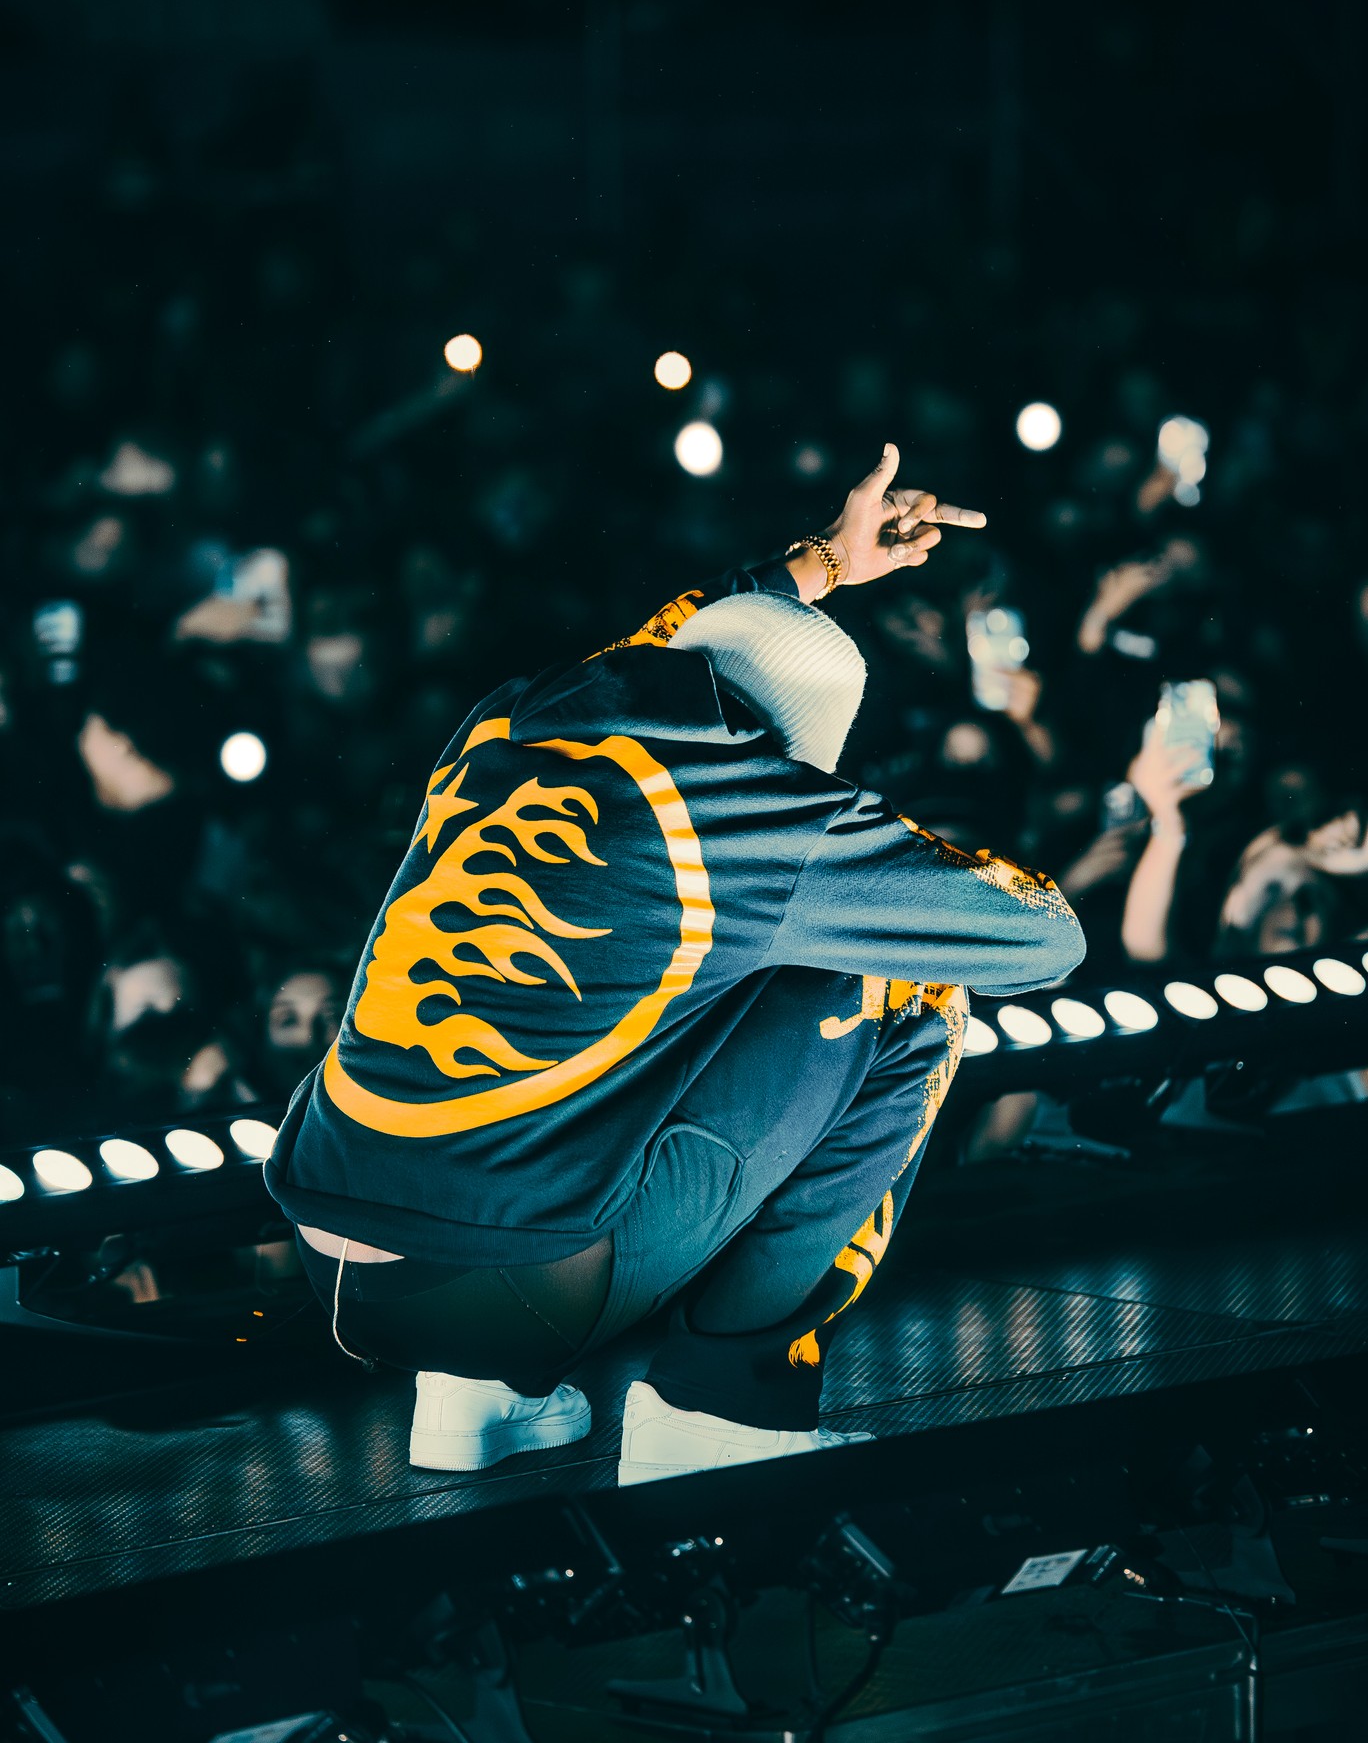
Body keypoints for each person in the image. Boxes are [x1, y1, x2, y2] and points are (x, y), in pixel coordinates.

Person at [264, 446, 1085, 1484]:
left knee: (590, 1010)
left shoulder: (519, 715)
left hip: (333, 1251)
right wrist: (877, 834)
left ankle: (476, 1394)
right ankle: (724, 1401)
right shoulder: (767, 807)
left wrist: (827, 559)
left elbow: (677, 631)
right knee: (911, 989)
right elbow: (1043, 942)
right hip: (508, 1286)